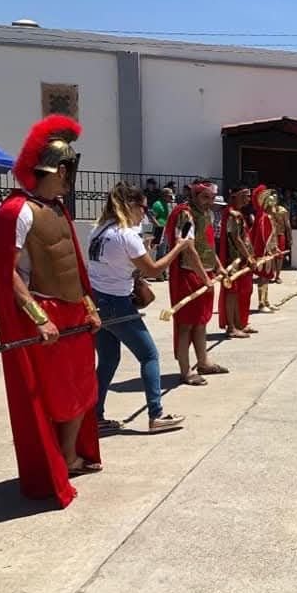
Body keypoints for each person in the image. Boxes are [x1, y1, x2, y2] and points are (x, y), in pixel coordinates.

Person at [0, 115, 102, 506]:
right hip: (46, 314)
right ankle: (53, 461)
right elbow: (7, 275)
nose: (69, 179)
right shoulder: (16, 211)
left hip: (73, 313)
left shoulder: (57, 209)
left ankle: (70, 456)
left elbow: (74, 265)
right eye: (65, 170)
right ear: (49, 170)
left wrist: (89, 307)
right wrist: (39, 318)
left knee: (81, 391)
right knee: (53, 396)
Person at [88, 182, 189, 432]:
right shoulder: (127, 234)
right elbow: (154, 270)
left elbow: (115, 264)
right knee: (149, 355)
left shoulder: (99, 230)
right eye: (142, 207)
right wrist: (179, 247)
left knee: (109, 359)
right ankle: (156, 413)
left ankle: (95, 415)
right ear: (131, 205)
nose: (144, 212)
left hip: (97, 300)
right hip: (117, 302)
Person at [164, 180, 228, 386]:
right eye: (204, 197)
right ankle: (186, 370)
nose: (208, 202)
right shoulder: (186, 214)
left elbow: (207, 245)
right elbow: (188, 249)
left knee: (201, 322)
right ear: (194, 196)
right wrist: (204, 278)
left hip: (204, 274)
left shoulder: (205, 214)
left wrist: (218, 266)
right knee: (186, 324)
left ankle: (204, 362)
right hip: (188, 275)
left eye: (211, 198)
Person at [218, 185, 257, 337]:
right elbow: (236, 238)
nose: (248, 198)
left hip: (240, 259)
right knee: (232, 293)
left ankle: (240, 323)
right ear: (235, 195)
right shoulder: (232, 214)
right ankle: (231, 327)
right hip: (233, 260)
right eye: (245, 195)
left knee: (240, 292)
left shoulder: (238, 214)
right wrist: (248, 256)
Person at [251, 185, 279, 313]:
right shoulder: (264, 217)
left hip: (269, 252)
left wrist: (275, 248)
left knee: (267, 277)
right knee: (263, 278)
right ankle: (261, 304)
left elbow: (272, 236)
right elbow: (263, 236)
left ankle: (266, 301)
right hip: (264, 252)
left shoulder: (269, 217)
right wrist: (269, 250)